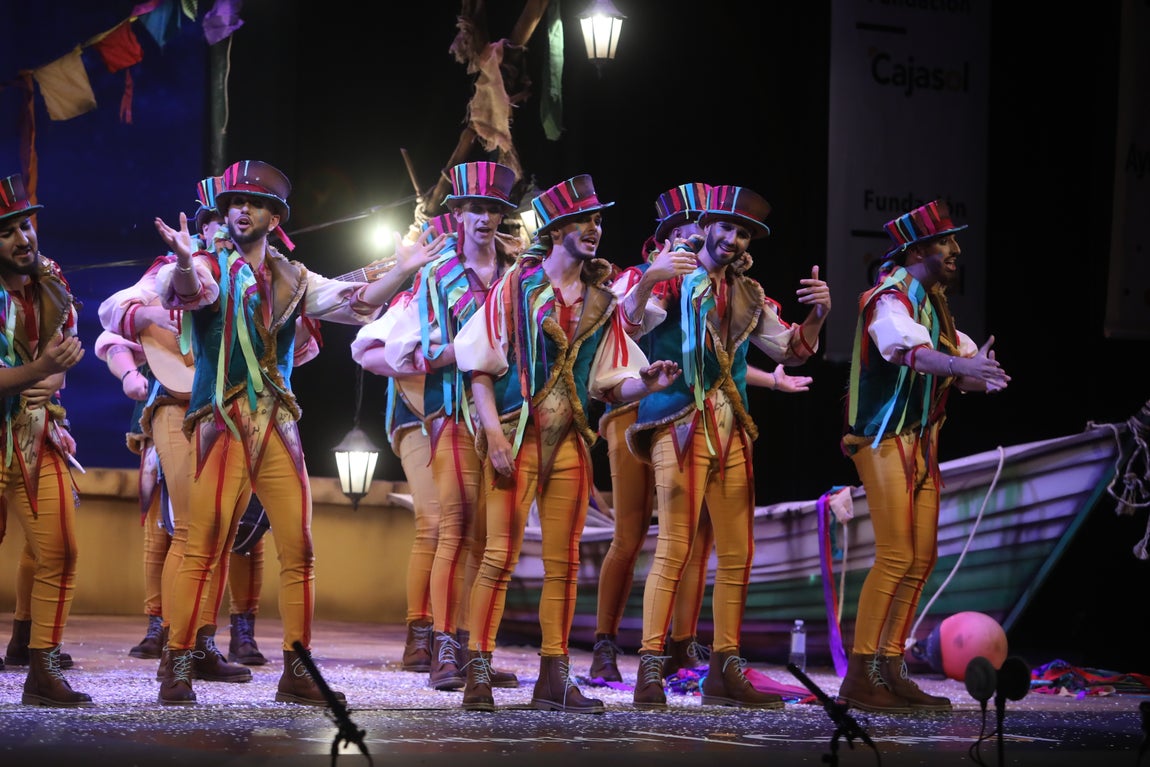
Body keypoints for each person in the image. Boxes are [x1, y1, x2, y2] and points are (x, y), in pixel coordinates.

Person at [150, 159, 445, 706]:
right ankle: (178, 661)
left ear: (274, 215)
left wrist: (403, 270)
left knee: (301, 548)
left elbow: (353, 303)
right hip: (225, 422)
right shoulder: (210, 265)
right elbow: (186, 292)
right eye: (235, 201)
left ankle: (297, 667)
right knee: (205, 545)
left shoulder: (293, 277)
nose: (242, 209)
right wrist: (188, 260)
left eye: (255, 203)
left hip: (277, 425)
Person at [451, 174, 682, 714]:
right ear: (557, 230)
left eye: (598, 220)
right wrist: (492, 434)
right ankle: (477, 672)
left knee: (564, 562)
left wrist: (647, 383)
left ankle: (554, 676)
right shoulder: (517, 288)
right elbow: (478, 370)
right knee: (498, 557)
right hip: (518, 436)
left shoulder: (601, 304)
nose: (594, 229)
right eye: (583, 220)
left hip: (571, 445)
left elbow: (609, 382)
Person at [590, 183, 813, 684]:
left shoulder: (730, 288)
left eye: (705, 226)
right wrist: (652, 279)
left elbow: (724, 358)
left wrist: (771, 377)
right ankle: (606, 644)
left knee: (700, 536)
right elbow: (628, 331)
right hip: (637, 402)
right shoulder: (651, 275)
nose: (701, 236)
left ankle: (682, 644)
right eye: (689, 228)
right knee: (632, 532)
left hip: (710, 410)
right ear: (669, 235)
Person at [96, 180, 296, 678]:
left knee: (221, 531)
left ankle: (201, 640)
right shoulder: (176, 270)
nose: (219, 229)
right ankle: (173, 641)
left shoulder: (254, 277)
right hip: (173, 406)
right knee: (190, 528)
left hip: (227, 412)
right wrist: (164, 320)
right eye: (214, 218)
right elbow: (112, 316)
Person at [837, 200, 1009, 713]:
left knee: (921, 557)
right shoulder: (888, 298)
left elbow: (953, 365)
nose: (956, 250)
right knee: (894, 554)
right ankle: (861, 673)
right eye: (945, 242)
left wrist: (977, 371)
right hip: (882, 436)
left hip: (921, 440)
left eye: (954, 241)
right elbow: (904, 351)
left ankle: (891, 667)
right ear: (916, 250)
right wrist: (964, 365)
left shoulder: (934, 305)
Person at [375, 162, 522, 692]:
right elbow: (417, 347)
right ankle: (441, 649)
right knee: (453, 531)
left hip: (507, 416)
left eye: (494, 210)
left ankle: (474, 648)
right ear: (457, 214)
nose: (486, 218)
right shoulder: (437, 274)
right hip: (453, 413)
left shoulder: (515, 272)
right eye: (476, 208)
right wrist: (455, 353)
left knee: (488, 541)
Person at [0, 173, 89, 706]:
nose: (22, 238)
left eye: (25, 224)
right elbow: (44, 367)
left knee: (61, 551)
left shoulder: (51, 285)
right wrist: (37, 370)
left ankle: (42, 669)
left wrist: (40, 374)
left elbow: (60, 369)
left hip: (36, 431)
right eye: (6, 231)